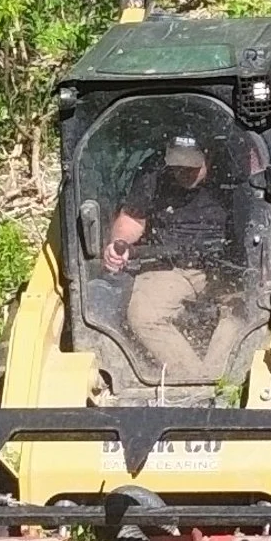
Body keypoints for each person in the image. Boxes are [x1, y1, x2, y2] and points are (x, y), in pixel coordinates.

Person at [104, 128, 237, 377]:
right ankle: (194, 381)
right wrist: (118, 245)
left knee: (241, 313)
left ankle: (220, 379)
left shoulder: (234, 172)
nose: (182, 172)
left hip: (227, 267)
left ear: (209, 157)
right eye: (177, 165)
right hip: (170, 265)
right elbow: (133, 217)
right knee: (143, 313)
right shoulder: (154, 173)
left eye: (191, 167)